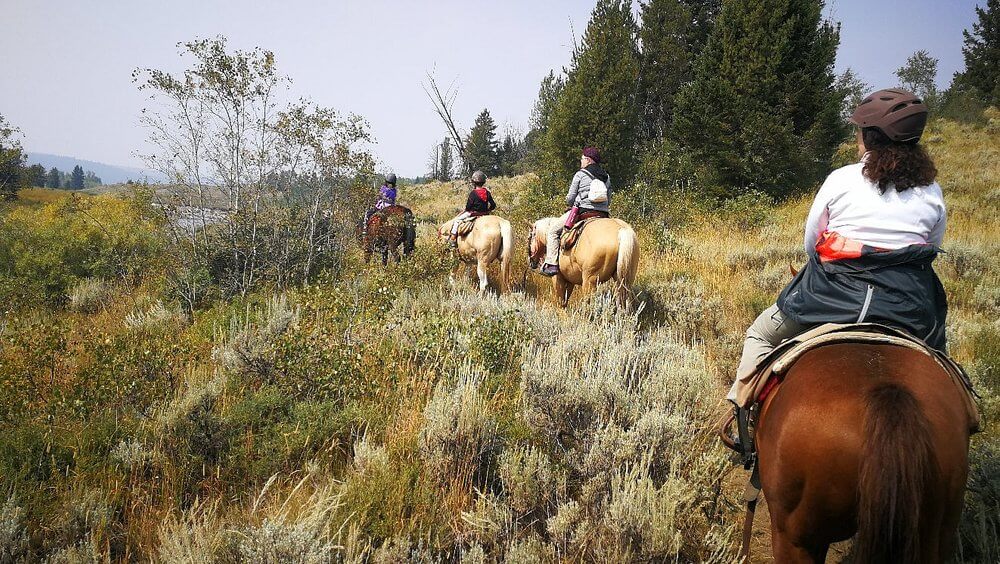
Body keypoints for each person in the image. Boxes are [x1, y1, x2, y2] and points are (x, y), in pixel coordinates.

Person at [727, 88, 947, 416]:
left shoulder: (841, 180)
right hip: (908, 306)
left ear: (870, 137)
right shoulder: (932, 191)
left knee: (760, 334)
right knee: (942, 365)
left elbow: (810, 242)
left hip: (831, 297)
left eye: (859, 131)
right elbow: (931, 247)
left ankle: (743, 412)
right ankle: (966, 409)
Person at [540, 147, 610, 276]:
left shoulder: (580, 174)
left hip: (584, 212)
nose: (581, 162)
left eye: (582, 159)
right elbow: (609, 198)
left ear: (588, 160)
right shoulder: (606, 176)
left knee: (553, 231)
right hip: (603, 215)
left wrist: (572, 202)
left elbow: (570, 199)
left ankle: (551, 264)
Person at [448, 170, 495, 248]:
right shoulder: (487, 192)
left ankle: (453, 240)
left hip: (473, 214)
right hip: (485, 214)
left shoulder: (473, 193)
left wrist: (466, 210)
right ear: (483, 182)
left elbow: (468, 207)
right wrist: (487, 210)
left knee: (457, 221)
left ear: (474, 182)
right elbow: (493, 205)